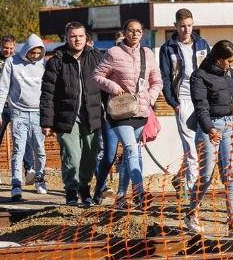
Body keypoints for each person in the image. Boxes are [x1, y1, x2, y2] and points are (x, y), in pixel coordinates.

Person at [93, 19, 162, 207]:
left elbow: (157, 81)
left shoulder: (147, 54)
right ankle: (139, 192)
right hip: (120, 112)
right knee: (131, 149)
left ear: (142, 34)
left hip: (141, 112)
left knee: (129, 155)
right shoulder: (113, 53)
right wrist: (114, 87)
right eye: (131, 31)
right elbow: (97, 76)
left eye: (138, 31)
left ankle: (121, 196)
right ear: (124, 32)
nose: (135, 34)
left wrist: (151, 98)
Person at [185, 40, 233, 237]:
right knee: (205, 174)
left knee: (230, 175)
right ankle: (191, 213)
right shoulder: (200, 76)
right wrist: (209, 128)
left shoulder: (229, 74)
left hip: (230, 126)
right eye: (229, 61)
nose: (232, 64)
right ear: (219, 59)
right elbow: (201, 105)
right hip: (210, 128)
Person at [41, 22, 105, 206]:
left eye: (80, 36)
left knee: (90, 155)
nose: (77, 39)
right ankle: (71, 190)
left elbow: (106, 84)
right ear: (66, 38)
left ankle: (84, 188)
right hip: (66, 117)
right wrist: (46, 122)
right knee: (72, 155)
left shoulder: (96, 57)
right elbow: (47, 93)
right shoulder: (57, 61)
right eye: (73, 36)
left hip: (92, 115)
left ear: (86, 38)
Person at [159, 8, 210, 195]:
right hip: (184, 100)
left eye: (189, 25)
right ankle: (192, 188)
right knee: (190, 146)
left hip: (202, 99)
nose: (186, 30)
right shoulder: (168, 48)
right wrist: (175, 103)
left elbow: (211, 72)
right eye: (182, 26)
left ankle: (185, 178)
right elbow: (165, 77)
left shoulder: (203, 44)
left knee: (203, 145)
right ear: (175, 26)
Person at [0, 34, 48, 202]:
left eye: (39, 53)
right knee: (19, 149)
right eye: (33, 52)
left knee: (39, 149)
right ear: (26, 50)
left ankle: (39, 178)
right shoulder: (12, 62)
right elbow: (2, 89)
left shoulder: (42, 65)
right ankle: (16, 184)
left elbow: (48, 91)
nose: (35, 56)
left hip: (38, 112)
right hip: (18, 112)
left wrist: (49, 116)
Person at [0, 35, 34, 185]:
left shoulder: (19, 58)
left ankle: (29, 169)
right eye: (6, 48)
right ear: (0, 45)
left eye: (11, 48)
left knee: (23, 137)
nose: (8, 50)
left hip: (18, 104)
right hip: (0, 106)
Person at [94, 31, 129, 203]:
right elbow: (98, 83)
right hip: (112, 115)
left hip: (132, 114)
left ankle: (122, 195)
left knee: (131, 154)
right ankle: (99, 188)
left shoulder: (138, 62)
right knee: (109, 155)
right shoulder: (108, 62)